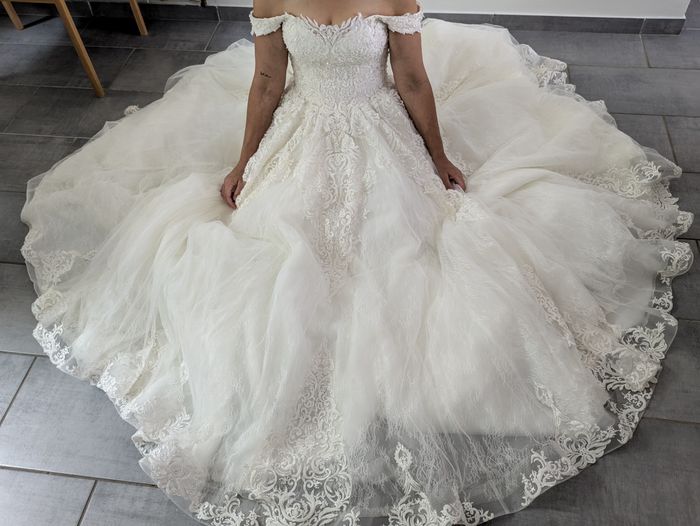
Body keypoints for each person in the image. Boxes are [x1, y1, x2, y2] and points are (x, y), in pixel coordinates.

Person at [19, 0, 694, 524]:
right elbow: (266, 81)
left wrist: (437, 155)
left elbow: (411, 78)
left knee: (407, 247)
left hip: (379, 129)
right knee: (278, 252)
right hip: (302, 132)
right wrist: (244, 161)